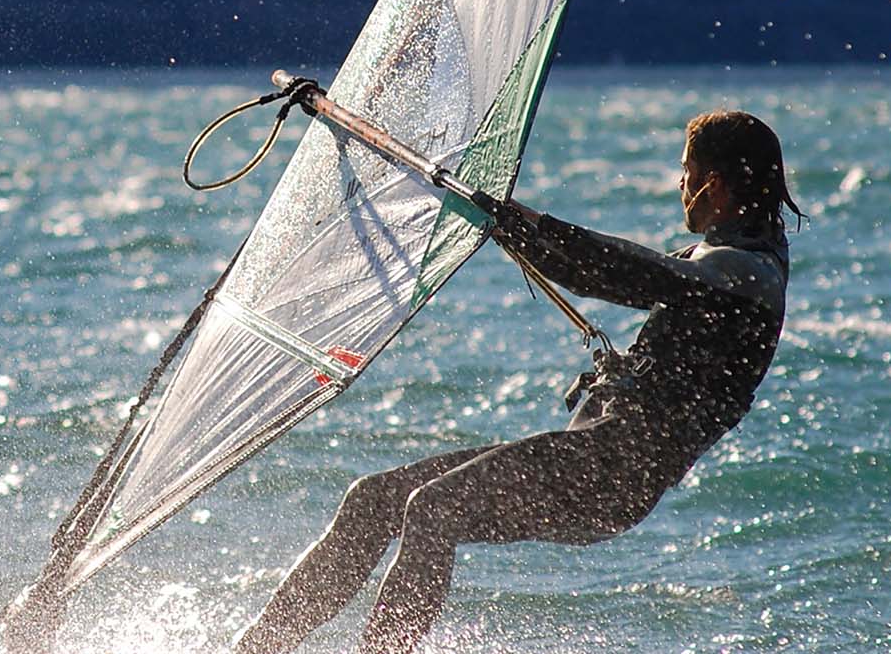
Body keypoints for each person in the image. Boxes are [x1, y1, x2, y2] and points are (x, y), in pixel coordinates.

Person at [231, 110, 803, 654]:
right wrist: (511, 222)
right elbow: (601, 267)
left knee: (432, 509)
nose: (680, 185)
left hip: (611, 474)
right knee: (375, 499)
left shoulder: (748, 272)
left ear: (714, 185)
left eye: (687, 171)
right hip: (591, 458)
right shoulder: (725, 258)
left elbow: (628, 273)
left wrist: (532, 225)